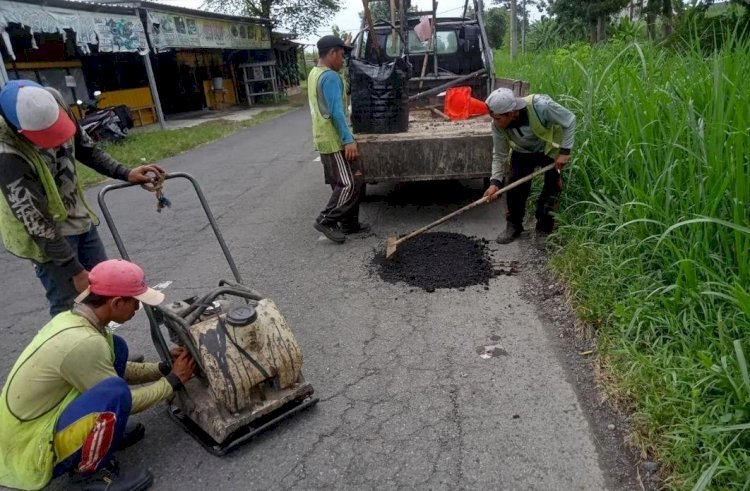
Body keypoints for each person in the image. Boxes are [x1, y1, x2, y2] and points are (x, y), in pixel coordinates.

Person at [0, 258, 196, 491]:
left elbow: (110, 368)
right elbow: (125, 399)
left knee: (118, 348)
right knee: (115, 392)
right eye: (135, 302)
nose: (137, 308)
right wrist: (173, 381)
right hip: (31, 447)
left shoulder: (78, 321)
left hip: (39, 420)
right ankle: (88, 474)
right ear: (115, 302)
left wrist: (163, 368)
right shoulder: (83, 342)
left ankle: (101, 438)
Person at [0, 80, 165, 316]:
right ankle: (82, 351)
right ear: (19, 130)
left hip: (78, 220)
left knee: (104, 294)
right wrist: (74, 270)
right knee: (70, 305)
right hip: (46, 235)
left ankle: (107, 352)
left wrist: (125, 172)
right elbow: (36, 223)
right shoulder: (7, 152)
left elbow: (86, 148)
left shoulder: (54, 101)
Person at [482, 88, 576, 244]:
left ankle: (544, 228)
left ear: (512, 112)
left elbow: (569, 119)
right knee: (515, 186)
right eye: (493, 117)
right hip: (522, 152)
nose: (495, 122)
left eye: (498, 118)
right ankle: (514, 226)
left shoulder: (541, 106)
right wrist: (495, 183)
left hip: (549, 150)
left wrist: (565, 152)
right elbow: (499, 155)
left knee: (552, 186)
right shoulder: (497, 125)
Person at [308, 35, 369, 244]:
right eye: (341, 55)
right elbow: (336, 112)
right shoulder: (331, 78)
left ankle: (349, 224)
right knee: (348, 184)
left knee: (355, 179)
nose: (343, 60)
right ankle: (326, 220)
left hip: (323, 137)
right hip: (334, 139)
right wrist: (347, 140)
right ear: (331, 53)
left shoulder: (315, 73)